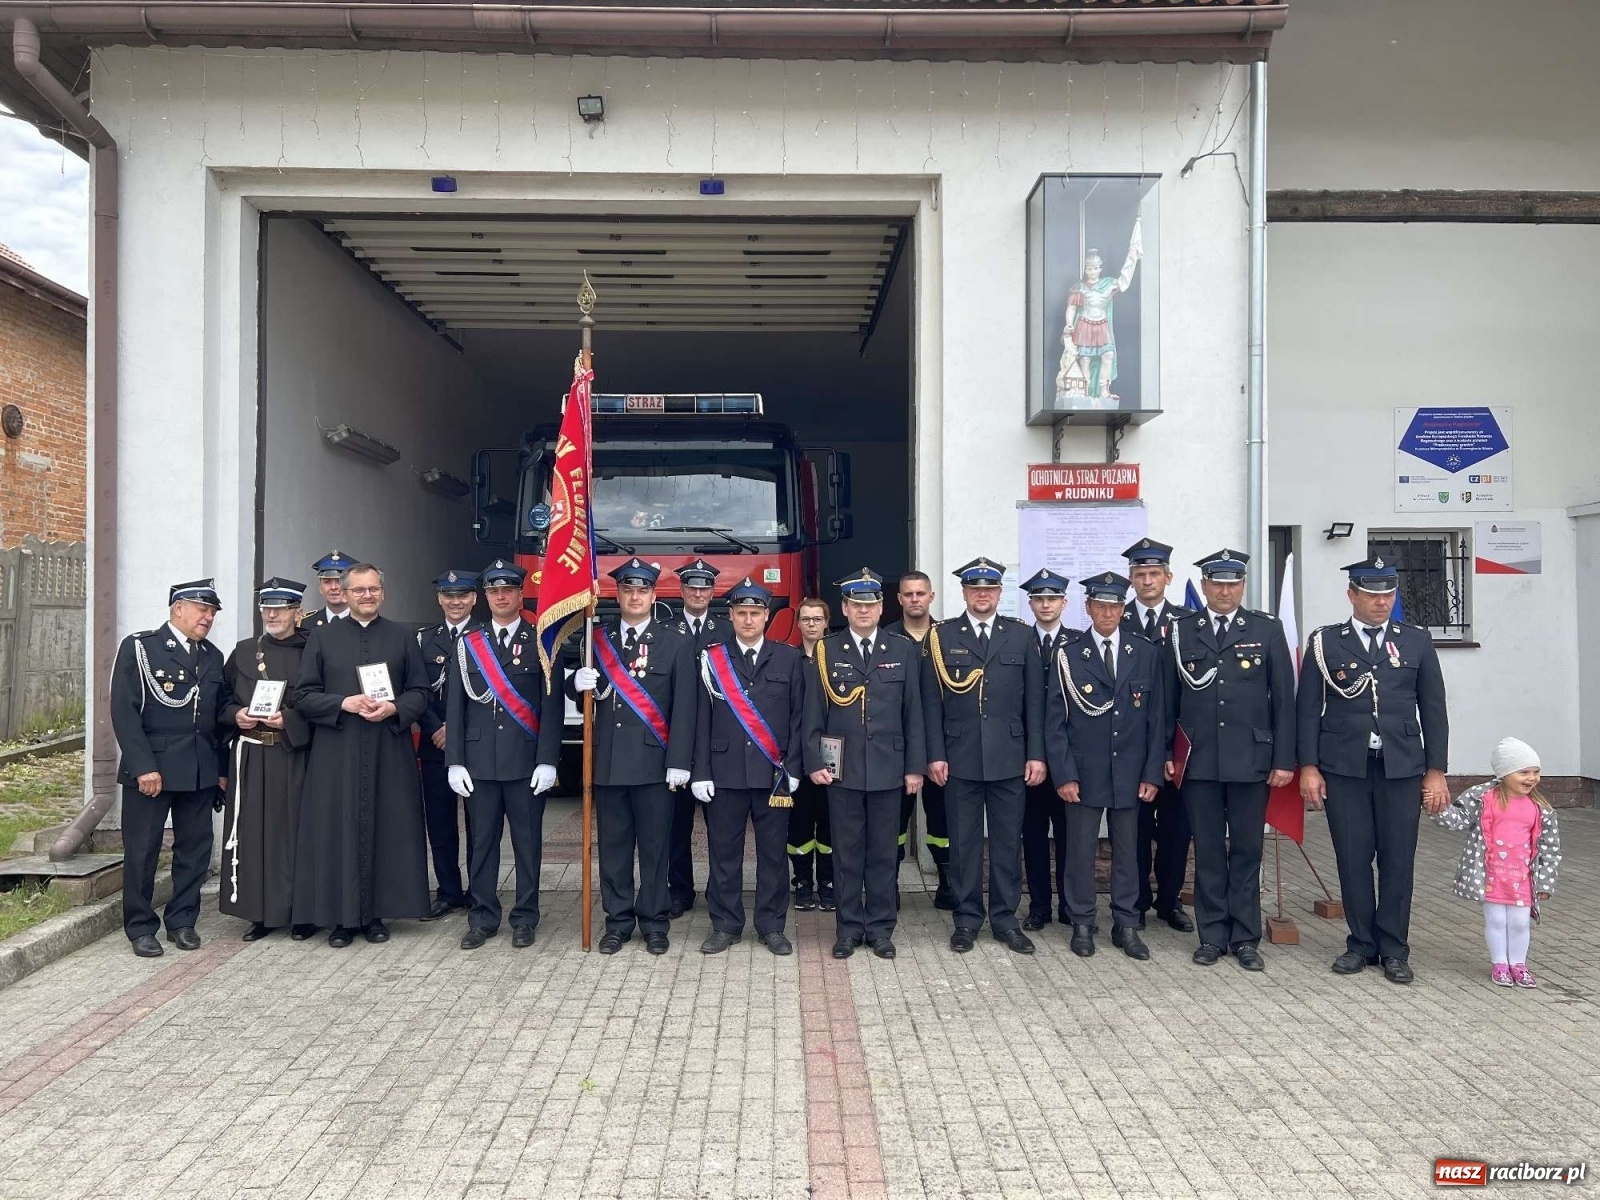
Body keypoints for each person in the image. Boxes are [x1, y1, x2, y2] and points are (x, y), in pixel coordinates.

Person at [1299, 556, 1450, 984]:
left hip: (1401, 768)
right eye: (1372, 594)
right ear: (1352, 595)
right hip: (1345, 767)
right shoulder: (1325, 643)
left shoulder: (1416, 641)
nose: (1382, 602)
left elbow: (1434, 709)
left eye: (1388, 594)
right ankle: (1361, 943)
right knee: (1352, 856)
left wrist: (1435, 769)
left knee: (1398, 860)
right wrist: (1308, 766)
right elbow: (1307, 710)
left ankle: (1394, 949)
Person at [291, 563, 434, 946]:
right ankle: (340, 919)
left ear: (382, 593)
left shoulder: (403, 637)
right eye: (359, 590)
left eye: (373, 589)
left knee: (387, 829)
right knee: (337, 831)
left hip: (388, 747)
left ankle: (375, 916)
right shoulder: (322, 638)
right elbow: (302, 695)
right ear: (345, 593)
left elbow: (421, 691)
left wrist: (395, 709)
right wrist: (343, 702)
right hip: (337, 751)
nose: (366, 596)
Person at [1167, 550, 1295, 972]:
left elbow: (1284, 703)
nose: (1225, 590)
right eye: (1217, 583)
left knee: (1246, 850)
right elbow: (1168, 703)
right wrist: (1168, 754)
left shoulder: (1266, 629)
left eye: (1233, 583)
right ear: (1203, 586)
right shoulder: (1182, 631)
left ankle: (1244, 938)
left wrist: (1284, 759)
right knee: (1206, 851)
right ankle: (1212, 936)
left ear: (1242, 586)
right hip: (1199, 760)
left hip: (1251, 759)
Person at [572, 558, 698, 955]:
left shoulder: (675, 642)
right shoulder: (596, 640)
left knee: (657, 848)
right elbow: (586, 704)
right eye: (628, 590)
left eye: (642, 590)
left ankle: (655, 921)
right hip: (608, 764)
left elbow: (685, 708)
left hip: (654, 764)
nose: (635, 596)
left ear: (653, 595)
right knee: (613, 849)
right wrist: (576, 685)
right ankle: (619, 921)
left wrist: (680, 760)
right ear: (619, 595)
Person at [924, 557, 1047, 955]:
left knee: (1008, 843)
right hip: (958, 757)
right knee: (963, 844)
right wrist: (935, 754)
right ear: (964, 593)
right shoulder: (941, 636)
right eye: (976, 589)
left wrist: (1036, 754)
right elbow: (931, 704)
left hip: (1011, 757)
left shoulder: (1021, 636)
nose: (983, 595)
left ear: (999, 593)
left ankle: (1006, 920)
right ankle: (966, 919)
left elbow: (1035, 703)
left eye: (990, 589)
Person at [803, 568, 926, 960]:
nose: (863, 611)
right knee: (846, 853)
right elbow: (812, 714)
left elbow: (914, 714)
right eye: (856, 605)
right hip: (843, 772)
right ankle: (849, 928)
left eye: (870, 604)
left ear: (880, 606)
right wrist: (813, 762)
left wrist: (914, 767)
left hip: (889, 768)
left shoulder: (902, 649)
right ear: (845, 607)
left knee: (883, 854)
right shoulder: (827, 650)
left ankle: (881, 928)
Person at [1045, 572, 1166, 960]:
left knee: (1128, 853)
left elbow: (1156, 720)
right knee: (1079, 852)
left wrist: (1151, 774)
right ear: (1088, 608)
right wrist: (1064, 774)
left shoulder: (1144, 652)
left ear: (1123, 608)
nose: (1108, 612)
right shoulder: (1068, 653)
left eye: (1115, 605)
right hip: (1083, 772)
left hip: (1131, 773)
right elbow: (1056, 721)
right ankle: (1081, 921)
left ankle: (1126, 924)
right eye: (1101, 605)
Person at [447, 561, 564, 950]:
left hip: (525, 762)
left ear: (520, 594)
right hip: (480, 763)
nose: (501, 596)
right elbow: (456, 707)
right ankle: (481, 917)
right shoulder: (468, 643)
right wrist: (455, 761)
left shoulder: (541, 640)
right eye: (494, 590)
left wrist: (548, 759)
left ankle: (525, 917)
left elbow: (551, 707)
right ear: (485, 596)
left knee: (527, 845)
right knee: (481, 844)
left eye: (509, 590)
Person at [110, 579, 231, 958]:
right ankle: (141, 926)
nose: (208, 617)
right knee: (143, 850)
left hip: (198, 770)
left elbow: (215, 719)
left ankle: (182, 921)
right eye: (202, 609)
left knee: (195, 849)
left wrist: (221, 770)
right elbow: (124, 712)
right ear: (178, 608)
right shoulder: (141, 648)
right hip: (153, 770)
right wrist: (143, 766)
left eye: (212, 612)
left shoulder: (212, 656)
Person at [691, 578, 804, 956]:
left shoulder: (788, 658)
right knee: (724, 854)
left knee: (773, 856)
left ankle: (772, 926)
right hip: (724, 774)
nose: (749, 619)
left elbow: (798, 719)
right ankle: (726, 925)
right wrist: (700, 771)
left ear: (767, 616)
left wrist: (794, 768)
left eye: (756, 613)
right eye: (742, 613)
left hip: (773, 776)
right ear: (731, 616)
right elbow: (701, 719)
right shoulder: (712, 658)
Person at [218, 577, 312, 942]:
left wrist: (289, 720)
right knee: (254, 834)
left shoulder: (314, 649)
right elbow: (220, 702)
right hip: (252, 757)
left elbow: (324, 702)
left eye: (281, 608)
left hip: (296, 754)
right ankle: (259, 912)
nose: (272, 614)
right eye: (266, 608)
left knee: (296, 834)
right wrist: (235, 716)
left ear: (297, 612)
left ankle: (301, 912)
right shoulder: (243, 652)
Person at [1432, 738, 1561, 989]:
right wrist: (1436, 807)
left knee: (1520, 922)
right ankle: (1500, 963)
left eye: (1536, 772)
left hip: (1522, 878)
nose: (1531, 778)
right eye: (1523, 772)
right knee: (1496, 921)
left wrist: (1545, 881)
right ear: (1504, 773)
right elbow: (1457, 820)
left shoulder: (1541, 808)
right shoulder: (1483, 798)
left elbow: (1550, 849)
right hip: (1491, 875)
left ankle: (1519, 965)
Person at [1120, 538, 1196, 933]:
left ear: (1168, 577)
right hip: (1133, 749)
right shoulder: (1117, 620)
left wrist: (1173, 748)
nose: (1147, 580)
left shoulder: (1187, 624)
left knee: (1174, 832)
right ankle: (1134, 903)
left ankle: (1169, 902)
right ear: (1131, 580)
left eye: (1154, 574)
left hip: (1178, 749)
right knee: (1133, 831)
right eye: (1140, 574)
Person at [884, 571, 951, 909]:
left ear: (931, 597)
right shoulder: (886, 639)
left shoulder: (949, 638)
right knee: (894, 819)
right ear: (899, 598)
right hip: (898, 745)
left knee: (942, 818)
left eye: (920, 593)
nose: (914, 599)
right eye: (908, 594)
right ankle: (889, 885)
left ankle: (947, 883)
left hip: (941, 745)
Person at [415, 569, 479, 921]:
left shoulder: (483, 636)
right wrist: (436, 728)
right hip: (434, 742)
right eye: (449, 596)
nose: (456, 602)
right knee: (439, 821)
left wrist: (455, 730)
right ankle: (448, 890)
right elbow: (415, 690)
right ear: (440, 599)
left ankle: (477, 889)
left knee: (477, 821)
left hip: (472, 744)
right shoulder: (424, 640)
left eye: (463, 596)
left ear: (474, 599)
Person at [668, 558, 724, 918]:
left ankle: (719, 891)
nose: (698, 593)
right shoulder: (665, 630)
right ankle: (679, 890)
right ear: (682, 591)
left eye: (704, 588)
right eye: (692, 587)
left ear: (712, 592)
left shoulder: (727, 631)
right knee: (675, 826)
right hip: (673, 741)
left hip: (717, 744)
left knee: (721, 828)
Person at [1019, 568, 1072, 932]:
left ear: (1064, 603)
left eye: (1052, 598)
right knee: (1033, 836)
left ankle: (1070, 905)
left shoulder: (1078, 643)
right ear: (1031, 603)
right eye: (1039, 598)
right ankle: (1039, 906)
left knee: (1071, 837)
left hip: (1068, 760)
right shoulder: (1018, 641)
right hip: (1027, 759)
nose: (1046, 604)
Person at [787, 597, 835, 912]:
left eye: (817, 619)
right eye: (805, 619)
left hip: (830, 755)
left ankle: (829, 883)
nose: (811, 624)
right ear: (799, 623)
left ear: (826, 622)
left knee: (830, 822)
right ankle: (803, 883)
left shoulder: (837, 657)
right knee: (798, 824)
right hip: (795, 755)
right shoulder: (787, 659)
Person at [300, 550, 357, 629]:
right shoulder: (305, 624)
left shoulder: (363, 621)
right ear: (320, 587)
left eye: (339, 581)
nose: (333, 587)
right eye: (327, 582)